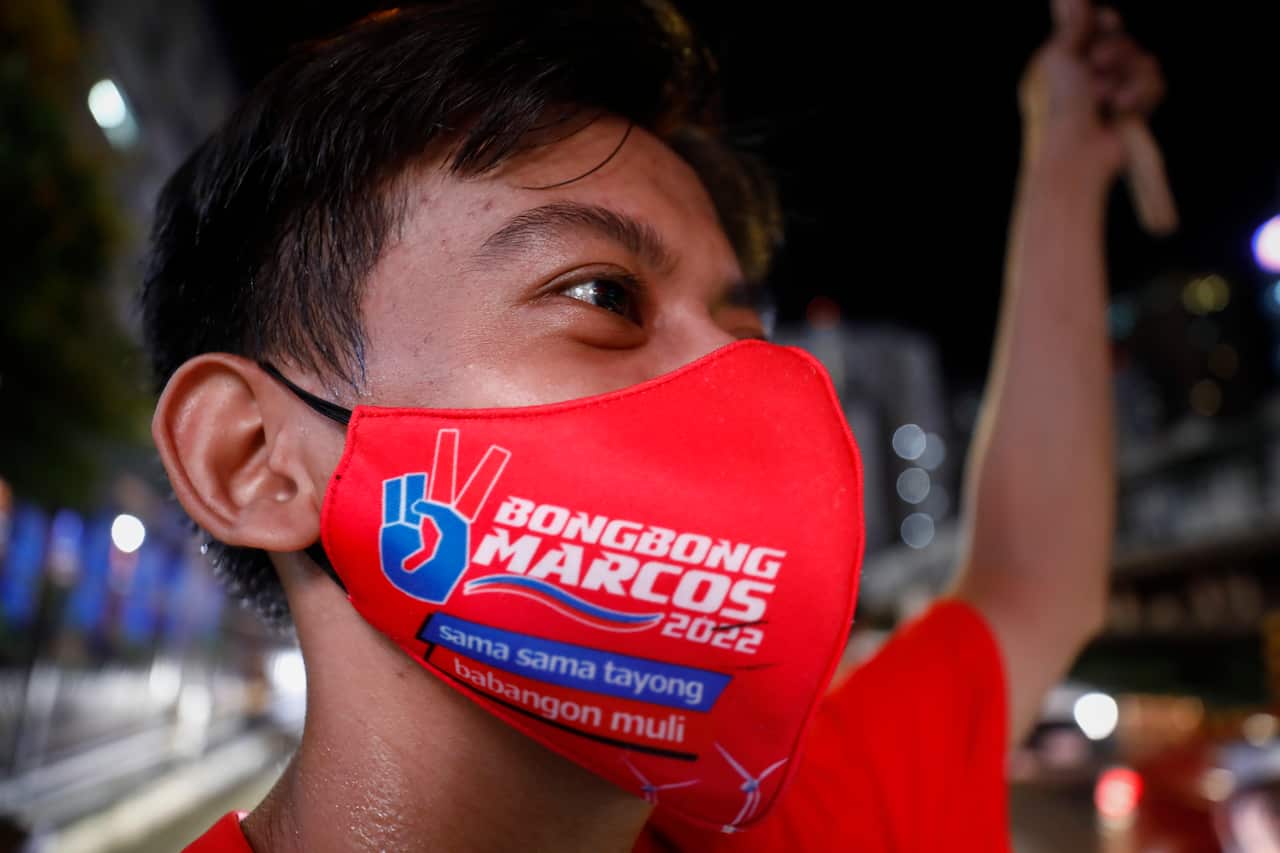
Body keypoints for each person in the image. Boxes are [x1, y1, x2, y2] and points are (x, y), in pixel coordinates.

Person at [147, 0, 1165, 850]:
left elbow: (1033, 582)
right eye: (602, 293)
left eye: (742, 330)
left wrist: (1065, 161)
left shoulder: (817, 821)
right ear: (252, 460)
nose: (741, 381)